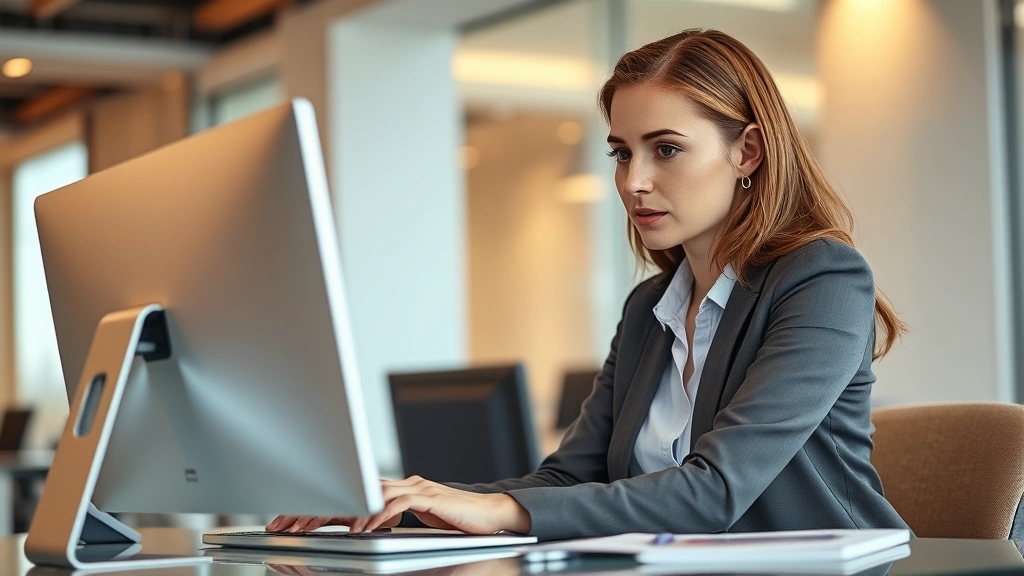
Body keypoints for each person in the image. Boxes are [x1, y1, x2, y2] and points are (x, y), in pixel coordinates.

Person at [267, 28, 909, 541]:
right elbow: (567, 478)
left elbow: (716, 489)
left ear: (747, 151)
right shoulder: (647, 310)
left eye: (666, 149)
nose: (633, 181)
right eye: (622, 152)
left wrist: (500, 514)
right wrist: (410, 502)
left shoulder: (821, 278)